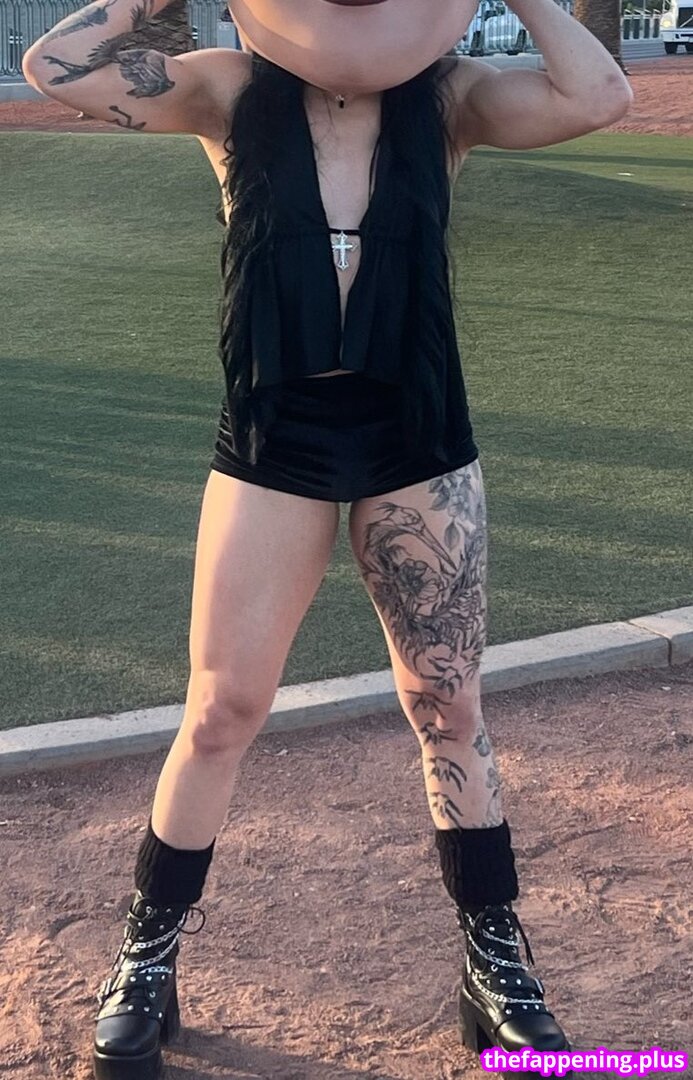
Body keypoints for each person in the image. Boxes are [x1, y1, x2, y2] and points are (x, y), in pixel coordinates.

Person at [22, 1, 633, 1076]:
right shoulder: (227, 90)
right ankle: (147, 961)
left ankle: (496, 967)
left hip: (416, 434)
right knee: (222, 709)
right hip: (278, 435)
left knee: (448, 706)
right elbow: (55, 65)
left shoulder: (448, 98)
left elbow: (599, 94)